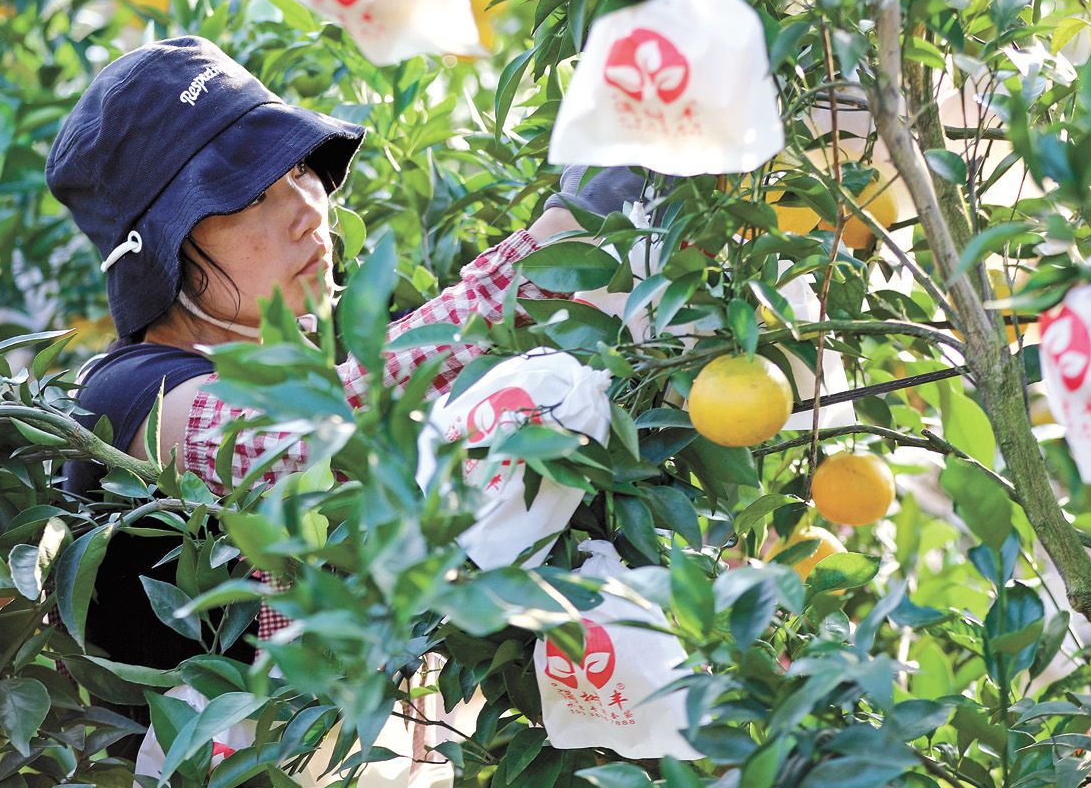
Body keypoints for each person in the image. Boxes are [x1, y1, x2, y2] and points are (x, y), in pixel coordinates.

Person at [43, 37, 658, 724]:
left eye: (301, 169)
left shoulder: (331, 357)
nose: (308, 210)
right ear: (158, 253)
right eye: (248, 196)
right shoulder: (127, 399)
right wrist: (564, 236)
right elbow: (281, 444)